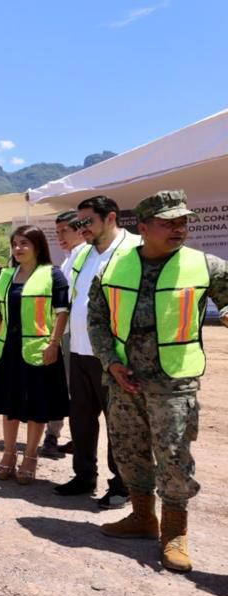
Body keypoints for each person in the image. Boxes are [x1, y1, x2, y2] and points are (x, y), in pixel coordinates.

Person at [89, 191, 228, 573]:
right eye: (168, 222)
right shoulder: (113, 267)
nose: (179, 228)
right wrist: (111, 362)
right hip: (124, 378)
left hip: (174, 379)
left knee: (173, 455)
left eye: (183, 221)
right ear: (144, 227)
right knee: (129, 450)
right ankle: (142, 518)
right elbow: (97, 320)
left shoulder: (206, 265)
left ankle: (174, 532)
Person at [53, 196, 141, 508]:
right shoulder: (81, 255)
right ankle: (84, 476)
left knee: (119, 424)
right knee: (82, 419)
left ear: (111, 218)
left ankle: (122, 485)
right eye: (78, 224)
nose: (81, 228)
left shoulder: (136, 250)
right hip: (78, 350)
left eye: (87, 221)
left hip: (116, 356)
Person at [0, 224, 69, 485]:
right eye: (15, 244)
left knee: (36, 406)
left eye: (24, 244)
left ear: (38, 247)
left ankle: (30, 456)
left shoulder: (53, 275)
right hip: (7, 348)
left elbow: (62, 312)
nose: (18, 249)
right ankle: (8, 454)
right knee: (9, 405)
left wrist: (54, 344)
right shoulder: (5, 276)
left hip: (39, 350)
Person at [40, 211, 87, 458]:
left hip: (75, 336)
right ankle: (57, 436)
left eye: (64, 231)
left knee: (70, 388)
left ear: (80, 230)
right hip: (65, 333)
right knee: (64, 387)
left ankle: (58, 436)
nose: (59, 237)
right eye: (57, 232)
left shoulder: (85, 257)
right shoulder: (69, 259)